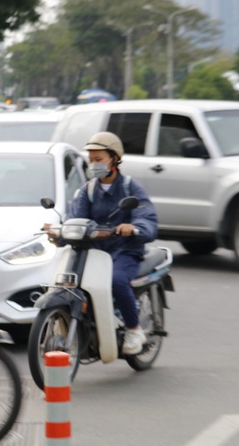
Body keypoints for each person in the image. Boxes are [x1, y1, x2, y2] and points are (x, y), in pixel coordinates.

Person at [46, 132, 158, 355]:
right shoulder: (87, 190)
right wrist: (59, 232)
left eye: (99, 159)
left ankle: (134, 329)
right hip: (94, 252)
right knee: (66, 282)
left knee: (117, 281)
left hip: (124, 250)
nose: (93, 164)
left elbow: (148, 219)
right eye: (91, 159)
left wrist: (134, 228)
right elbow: (74, 219)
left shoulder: (131, 188)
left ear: (114, 159)